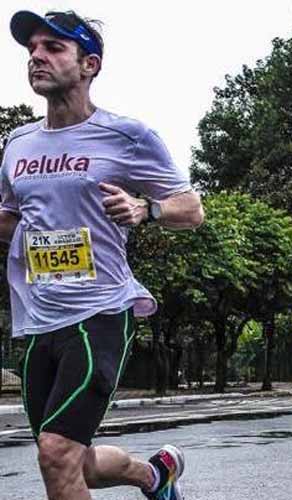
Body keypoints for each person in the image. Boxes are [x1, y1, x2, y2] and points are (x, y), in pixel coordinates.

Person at [3, 10, 204, 500]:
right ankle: (153, 475)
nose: (37, 57)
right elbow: (8, 220)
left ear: (89, 64)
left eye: (53, 48)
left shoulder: (126, 135)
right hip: (40, 320)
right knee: (75, 462)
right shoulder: (16, 143)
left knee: (56, 452)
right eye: (32, 49)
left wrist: (145, 208)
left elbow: (191, 208)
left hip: (100, 313)